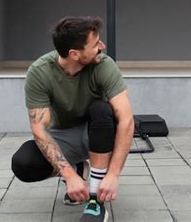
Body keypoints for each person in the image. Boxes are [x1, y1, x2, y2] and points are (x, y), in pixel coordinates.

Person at [11, 16, 134, 222]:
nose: (102, 47)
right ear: (74, 54)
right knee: (24, 163)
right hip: (63, 135)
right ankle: (77, 168)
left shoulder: (104, 65)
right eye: (95, 44)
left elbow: (127, 120)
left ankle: (95, 201)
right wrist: (69, 175)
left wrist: (113, 175)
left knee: (102, 110)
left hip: (98, 133)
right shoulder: (40, 72)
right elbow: (39, 129)